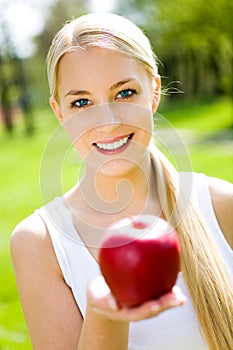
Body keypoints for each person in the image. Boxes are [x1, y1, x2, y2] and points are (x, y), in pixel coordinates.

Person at [10, 12, 233, 350]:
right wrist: (105, 317)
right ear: (60, 112)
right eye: (81, 102)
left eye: (125, 93)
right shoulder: (39, 243)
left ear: (154, 93)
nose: (107, 121)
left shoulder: (221, 206)